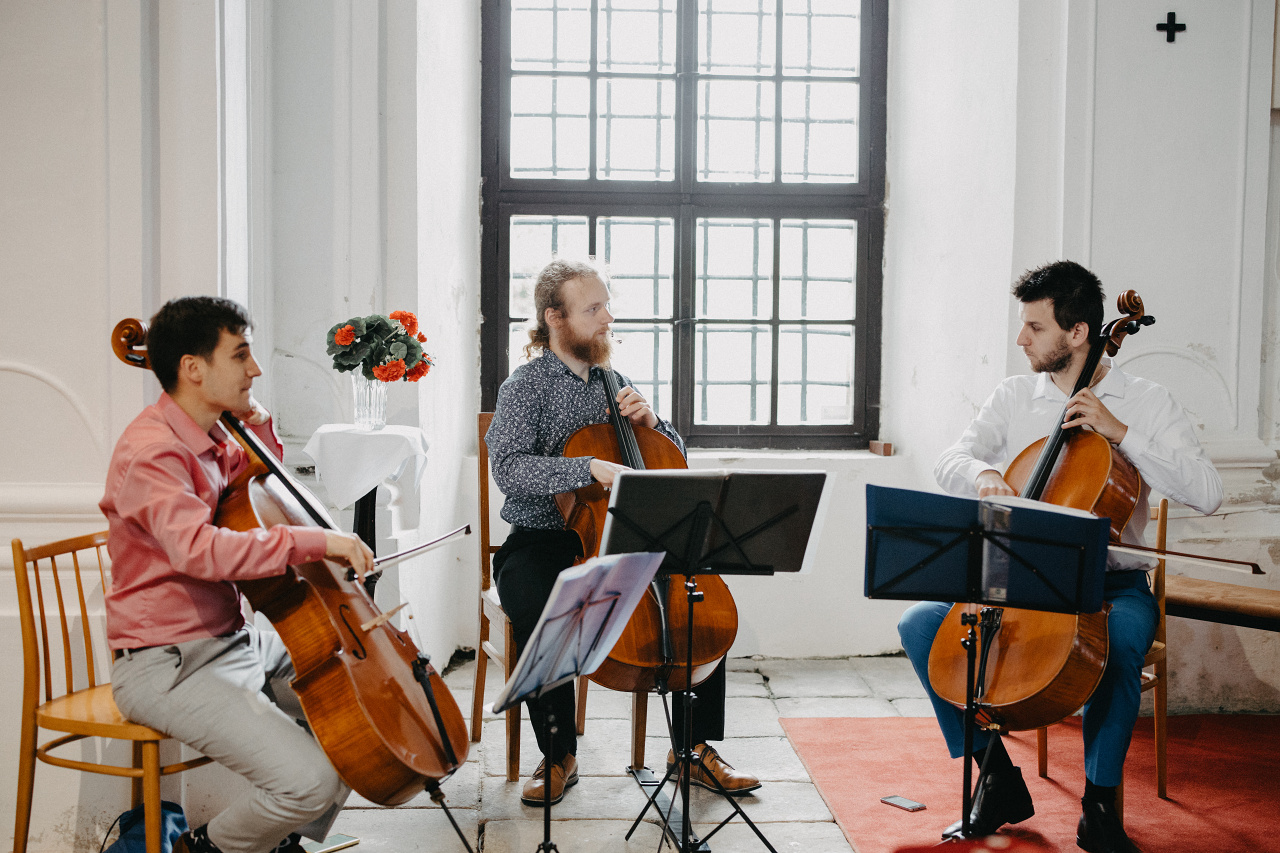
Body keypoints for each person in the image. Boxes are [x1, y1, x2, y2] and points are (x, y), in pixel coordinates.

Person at [898, 261, 1222, 853]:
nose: (1021, 339)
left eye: (1034, 326)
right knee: (919, 622)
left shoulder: (1148, 402)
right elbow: (952, 459)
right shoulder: (1015, 395)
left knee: (1121, 646)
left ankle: (1099, 808)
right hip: (1014, 575)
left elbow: (1207, 491)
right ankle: (995, 776)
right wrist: (986, 474)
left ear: (1078, 334)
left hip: (1108, 584)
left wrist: (1122, 433)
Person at [101, 296, 375, 853]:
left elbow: (259, 490)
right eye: (242, 355)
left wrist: (261, 425)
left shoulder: (210, 440)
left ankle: (278, 844)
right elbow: (203, 551)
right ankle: (202, 850)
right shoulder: (153, 452)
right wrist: (321, 541)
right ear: (193, 368)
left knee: (360, 718)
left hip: (230, 639)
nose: (255, 369)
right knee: (310, 781)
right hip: (169, 662)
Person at [485, 258, 761, 806]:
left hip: (631, 533)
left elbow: (673, 461)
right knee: (540, 599)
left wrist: (655, 425)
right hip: (545, 538)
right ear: (555, 319)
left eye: (607, 305)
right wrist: (583, 467)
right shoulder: (525, 387)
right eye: (593, 309)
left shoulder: (618, 383)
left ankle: (693, 750)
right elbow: (508, 469)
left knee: (697, 592)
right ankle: (559, 753)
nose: (608, 317)